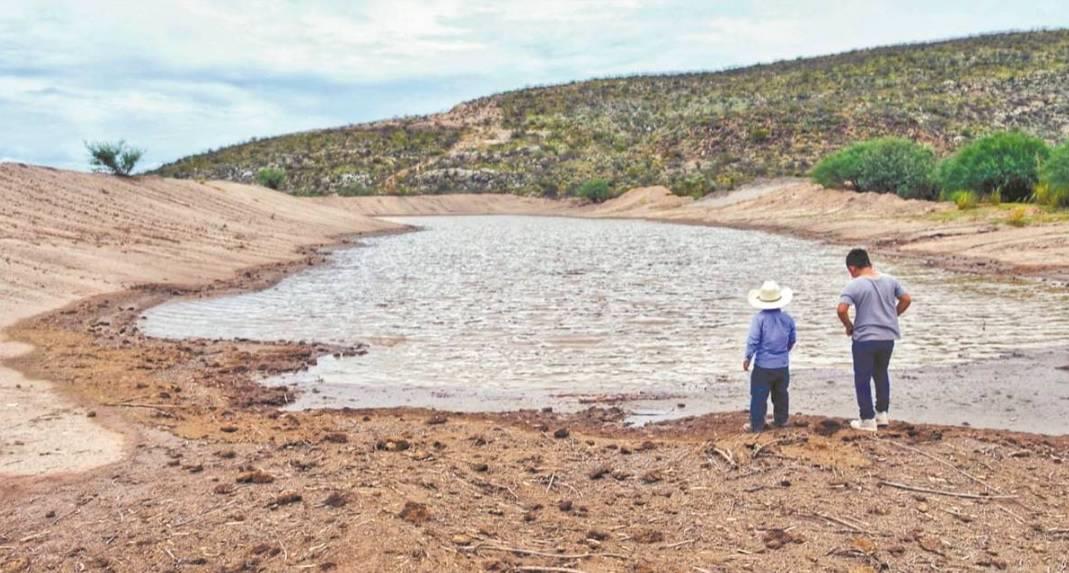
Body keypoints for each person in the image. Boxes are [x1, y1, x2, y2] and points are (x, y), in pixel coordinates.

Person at [837, 248, 912, 432]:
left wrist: (849, 326)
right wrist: (893, 315)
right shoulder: (890, 280)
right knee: (881, 373)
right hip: (887, 337)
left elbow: (841, 309)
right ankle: (882, 414)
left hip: (865, 338)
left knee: (862, 377)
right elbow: (906, 299)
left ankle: (867, 419)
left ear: (852, 268)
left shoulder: (854, 285)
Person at [743, 280, 797, 432]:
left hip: (763, 366)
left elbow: (753, 341)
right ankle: (781, 420)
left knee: (759, 395)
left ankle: (757, 424)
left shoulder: (759, 319)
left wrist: (747, 358)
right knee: (781, 394)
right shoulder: (787, 319)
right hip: (782, 365)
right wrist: (783, 352)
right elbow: (792, 339)